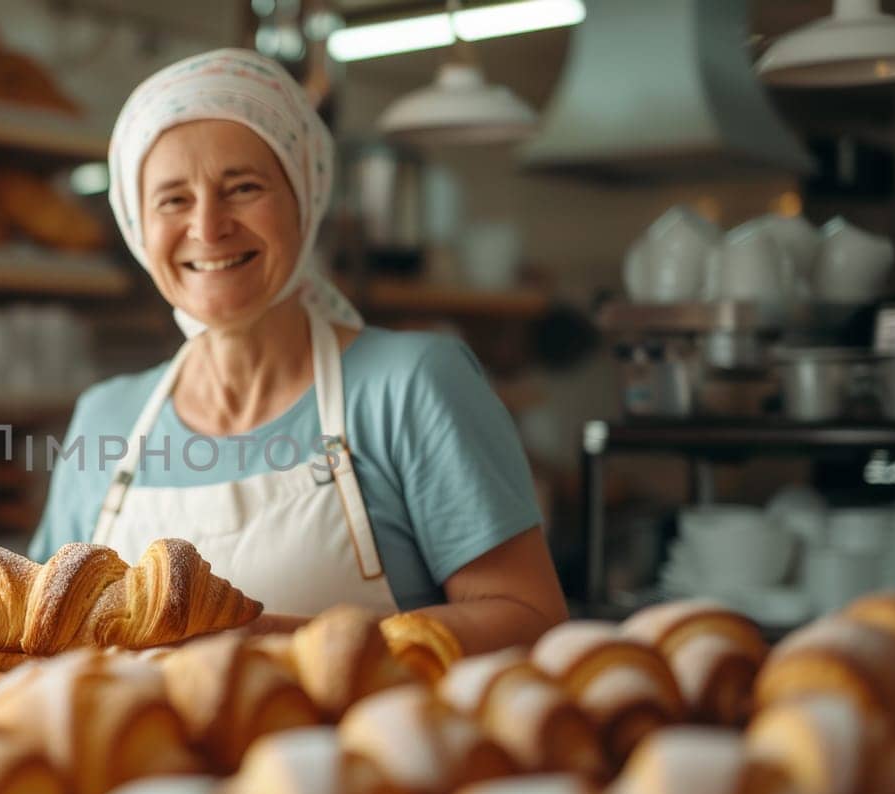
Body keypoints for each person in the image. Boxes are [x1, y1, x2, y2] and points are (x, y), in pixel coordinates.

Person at [28, 48, 566, 654]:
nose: (208, 227)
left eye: (243, 187)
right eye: (173, 199)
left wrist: (278, 644)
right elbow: (43, 636)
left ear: (304, 200)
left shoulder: (410, 386)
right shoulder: (106, 420)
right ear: (136, 226)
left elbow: (530, 619)